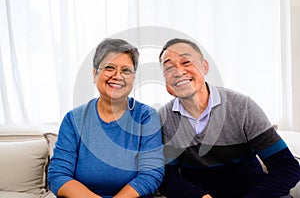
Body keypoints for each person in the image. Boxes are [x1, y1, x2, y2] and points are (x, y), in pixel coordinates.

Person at [157, 38, 300, 198]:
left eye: (186, 62)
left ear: (205, 67)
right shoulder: (163, 118)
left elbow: (286, 166)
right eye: (169, 67)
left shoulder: (242, 107)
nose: (178, 71)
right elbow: (167, 177)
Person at [48, 38, 164, 198]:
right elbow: (58, 175)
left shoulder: (147, 117)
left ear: (133, 78)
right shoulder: (73, 119)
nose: (118, 76)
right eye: (109, 68)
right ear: (94, 74)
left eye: (126, 70)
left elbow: (151, 175)